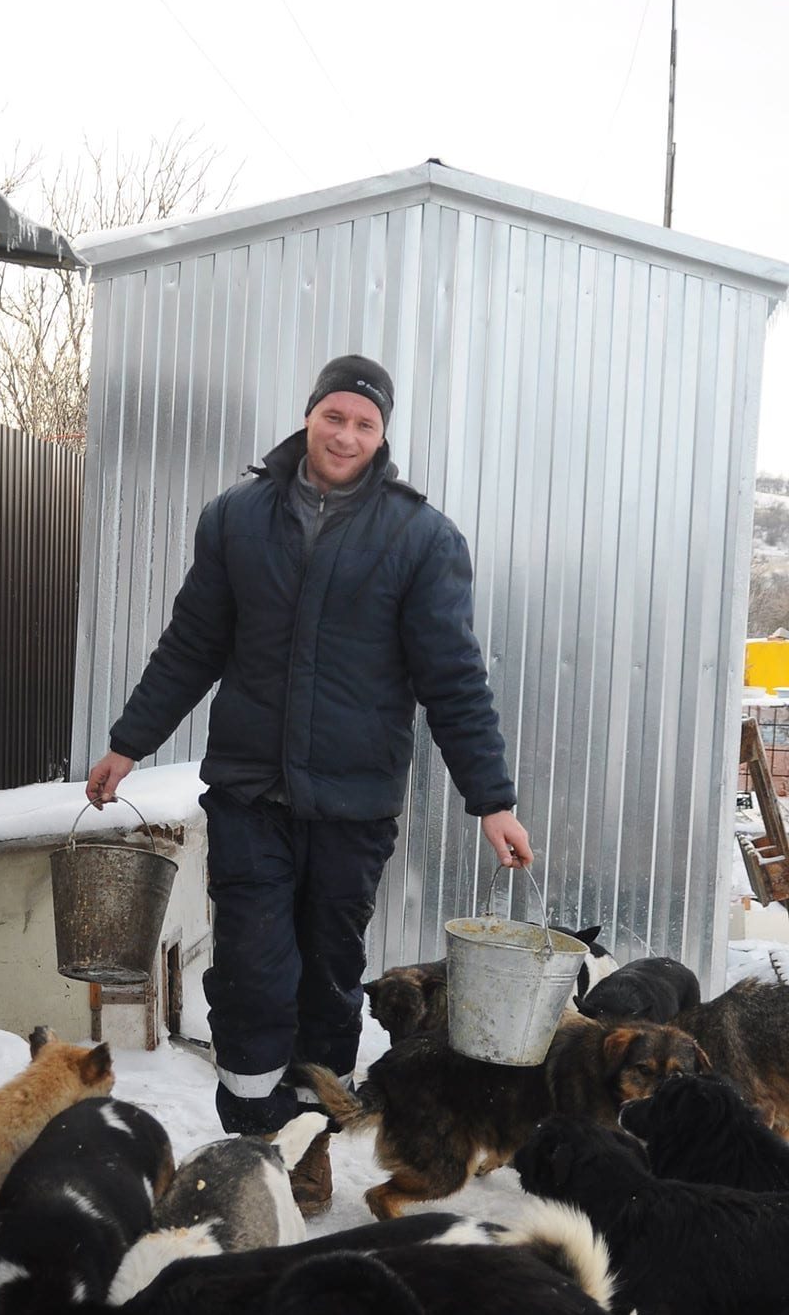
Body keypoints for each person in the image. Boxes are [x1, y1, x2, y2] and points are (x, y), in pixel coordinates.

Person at [86, 352, 532, 1139]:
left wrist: (491, 801)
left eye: (365, 422)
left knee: (327, 981)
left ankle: (310, 1139)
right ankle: (254, 1138)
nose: (346, 433)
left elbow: (453, 680)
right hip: (251, 794)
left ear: (382, 435)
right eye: (335, 415)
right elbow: (192, 645)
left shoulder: (421, 539)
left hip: (353, 804)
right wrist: (128, 743)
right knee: (254, 976)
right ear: (309, 415)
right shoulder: (236, 518)